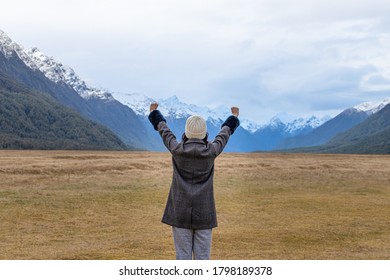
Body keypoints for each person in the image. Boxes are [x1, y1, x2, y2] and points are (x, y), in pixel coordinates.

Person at [148, 102, 240, 260]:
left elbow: (164, 130)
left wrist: (154, 113)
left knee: (182, 258)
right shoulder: (212, 151)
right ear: (205, 133)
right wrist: (234, 117)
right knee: (203, 260)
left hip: (180, 213)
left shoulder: (177, 150)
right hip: (204, 214)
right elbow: (224, 134)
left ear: (186, 132)